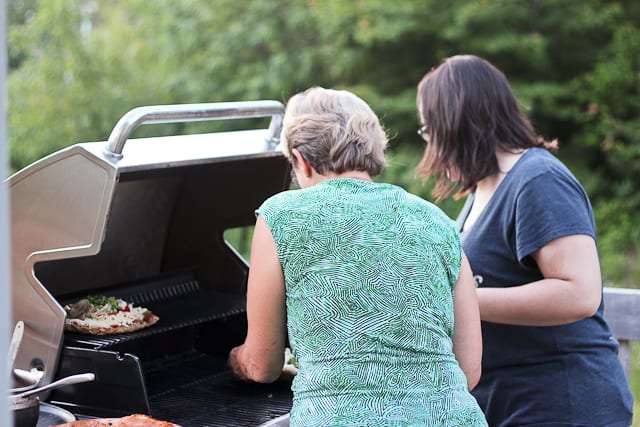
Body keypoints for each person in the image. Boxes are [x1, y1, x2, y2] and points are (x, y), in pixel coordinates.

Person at [227, 86, 488, 426]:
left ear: (301, 160)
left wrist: (236, 360)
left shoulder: (282, 214)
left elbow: (262, 365)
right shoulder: (436, 220)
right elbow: (468, 370)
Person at [415, 54, 634, 427]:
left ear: (456, 124)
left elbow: (580, 293)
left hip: (561, 402)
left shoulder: (538, 180)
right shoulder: (480, 191)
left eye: (428, 130)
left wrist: (461, 299)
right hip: (509, 401)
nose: (429, 143)